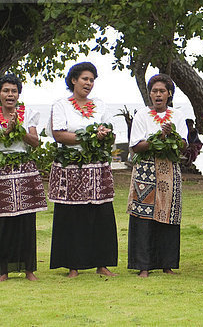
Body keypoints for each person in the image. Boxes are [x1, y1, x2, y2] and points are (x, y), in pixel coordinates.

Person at [48, 62, 118, 278]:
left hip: (97, 168)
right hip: (71, 168)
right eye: (85, 79)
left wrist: (105, 133)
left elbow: (108, 130)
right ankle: (73, 266)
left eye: (92, 80)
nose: (89, 83)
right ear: (73, 80)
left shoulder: (99, 105)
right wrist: (88, 137)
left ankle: (102, 264)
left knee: (101, 215)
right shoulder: (61, 105)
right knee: (73, 216)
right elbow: (58, 134)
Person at [0, 74, 47, 283]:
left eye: (14, 91)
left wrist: (18, 130)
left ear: (18, 94)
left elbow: (35, 142)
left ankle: (28, 270)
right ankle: (2, 271)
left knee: (26, 220)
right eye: (6, 91)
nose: (10, 95)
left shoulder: (29, 114)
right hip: (0, 171)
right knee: (1, 220)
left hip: (25, 170)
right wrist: (5, 132)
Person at [127, 74, 188, 277]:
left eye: (162, 91)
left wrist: (171, 136)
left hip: (170, 171)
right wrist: (159, 138)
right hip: (145, 171)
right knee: (144, 216)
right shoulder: (142, 115)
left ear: (169, 94)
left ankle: (167, 264)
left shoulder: (177, 116)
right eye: (154, 91)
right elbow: (136, 145)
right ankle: (143, 266)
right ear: (150, 94)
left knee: (168, 216)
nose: (158, 94)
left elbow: (183, 144)